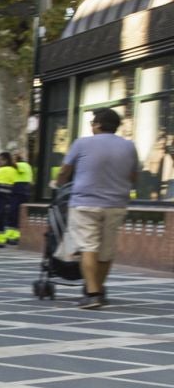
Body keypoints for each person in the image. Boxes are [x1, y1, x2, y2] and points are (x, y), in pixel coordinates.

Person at [56, 106, 141, 309]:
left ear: (98, 125)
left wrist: (58, 184)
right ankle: (99, 290)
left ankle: (92, 294)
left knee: (88, 248)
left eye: (92, 123)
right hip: (116, 205)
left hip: (85, 203)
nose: (91, 126)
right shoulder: (129, 146)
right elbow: (134, 177)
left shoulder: (82, 143)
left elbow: (65, 170)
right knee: (106, 251)